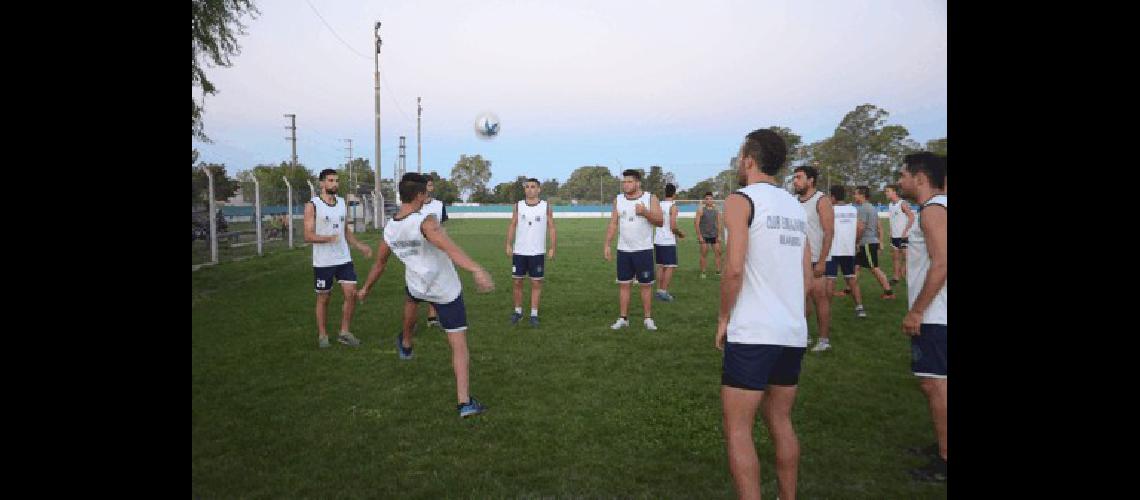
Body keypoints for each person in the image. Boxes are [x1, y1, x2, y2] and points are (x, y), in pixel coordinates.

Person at [716, 128, 810, 500]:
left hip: (754, 332)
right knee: (781, 421)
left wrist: (724, 318)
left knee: (738, 428)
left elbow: (734, 268)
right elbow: (806, 277)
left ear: (749, 160)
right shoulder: (794, 205)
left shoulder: (740, 200)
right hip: (791, 331)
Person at [356, 173, 495, 418]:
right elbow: (450, 248)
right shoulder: (426, 222)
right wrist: (477, 269)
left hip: (418, 284)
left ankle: (407, 343)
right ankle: (464, 403)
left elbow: (379, 264)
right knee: (459, 345)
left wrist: (366, 288)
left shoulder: (390, 228)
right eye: (426, 193)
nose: (428, 197)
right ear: (420, 195)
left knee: (411, 300)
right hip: (445, 290)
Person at [897, 152, 948, 482]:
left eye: (903, 175)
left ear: (919, 177)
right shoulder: (937, 209)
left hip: (935, 315)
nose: (899, 181)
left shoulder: (932, 211)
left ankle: (944, 460)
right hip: (938, 313)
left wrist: (916, 311)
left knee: (934, 384)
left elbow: (941, 262)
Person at [304, 169, 374, 349]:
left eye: (336, 180)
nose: (334, 184)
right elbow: (307, 235)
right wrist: (328, 239)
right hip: (323, 262)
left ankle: (344, 332)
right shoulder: (313, 205)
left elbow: (345, 231)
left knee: (351, 294)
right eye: (330, 180)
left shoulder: (342, 203)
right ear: (321, 183)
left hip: (343, 258)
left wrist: (359, 246)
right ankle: (322, 335)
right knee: (323, 299)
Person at [604, 169, 664, 331]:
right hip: (623, 250)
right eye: (624, 182)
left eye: (629, 181)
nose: (626, 184)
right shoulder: (618, 200)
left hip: (643, 250)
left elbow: (660, 221)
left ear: (638, 183)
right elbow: (613, 223)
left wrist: (645, 212)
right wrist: (608, 244)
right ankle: (623, 318)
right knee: (624, 284)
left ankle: (648, 318)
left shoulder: (650, 198)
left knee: (646, 285)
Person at [792, 166, 834, 351]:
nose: (795, 181)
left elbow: (829, 232)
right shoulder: (793, 201)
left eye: (799, 177)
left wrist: (823, 261)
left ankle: (824, 340)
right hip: (798, 260)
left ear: (811, 180)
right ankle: (805, 335)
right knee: (801, 299)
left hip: (817, 259)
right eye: (794, 177)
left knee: (820, 298)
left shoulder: (821, 200)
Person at [505, 178, 557, 327]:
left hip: (537, 252)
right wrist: (508, 244)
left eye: (533, 187)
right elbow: (513, 225)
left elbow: (552, 227)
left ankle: (534, 314)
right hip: (519, 251)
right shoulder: (518, 206)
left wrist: (552, 247)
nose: (529, 189)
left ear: (539, 189)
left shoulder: (546, 207)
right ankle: (518, 312)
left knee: (536, 283)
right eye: (527, 187)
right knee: (517, 282)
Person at [826, 186, 866, 323]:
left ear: (832, 197)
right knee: (851, 278)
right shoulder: (853, 209)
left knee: (830, 279)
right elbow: (861, 227)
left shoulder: (830, 210)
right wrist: (855, 242)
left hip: (833, 250)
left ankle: (827, 310)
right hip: (848, 250)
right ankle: (860, 308)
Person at [852, 186, 897, 299]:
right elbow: (878, 226)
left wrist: (856, 242)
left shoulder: (863, 208)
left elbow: (861, 228)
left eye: (856, 194)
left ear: (862, 195)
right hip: (868, 242)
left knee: (874, 268)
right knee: (856, 266)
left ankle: (889, 292)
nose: (854, 196)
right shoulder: (871, 207)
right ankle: (849, 289)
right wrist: (880, 241)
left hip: (866, 243)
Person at [419, 177, 449, 328]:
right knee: (416, 287)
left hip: (435, 250)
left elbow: (443, 227)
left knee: (435, 282)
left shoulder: (439, 205)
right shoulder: (414, 206)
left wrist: (444, 243)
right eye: (425, 185)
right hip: (418, 251)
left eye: (430, 185)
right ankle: (411, 320)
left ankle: (432, 317)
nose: (428, 187)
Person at [653, 183, 685, 301]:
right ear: (674, 193)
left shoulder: (659, 205)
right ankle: (664, 292)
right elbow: (673, 226)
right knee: (670, 266)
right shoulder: (673, 207)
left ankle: (659, 291)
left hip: (658, 239)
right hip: (668, 240)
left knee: (660, 266)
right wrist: (680, 233)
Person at [885, 185, 916, 285]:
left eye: (888, 191)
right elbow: (892, 220)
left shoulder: (902, 203)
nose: (886, 193)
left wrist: (905, 231)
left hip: (904, 236)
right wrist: (890, 231)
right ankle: (896, 277)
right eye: (886, 191)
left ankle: (907, 273)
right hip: (894, 236)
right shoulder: (890, 205)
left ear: (894, 192)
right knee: (895, 257)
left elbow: (911, 217)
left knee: (907, 257)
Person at [695, 192, 725, 278]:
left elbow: (719, 223)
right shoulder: (700, 210)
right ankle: (703, 272)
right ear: (705, 200)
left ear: (713, 200)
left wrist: (719, 235)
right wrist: (699, 236)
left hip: (714, 235)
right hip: (704, 236)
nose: (709, 200)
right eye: (707, 199)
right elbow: (696, 224)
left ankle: (718, 271)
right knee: (704, 254)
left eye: (711, 199)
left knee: (718, 253)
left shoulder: (716, 211)